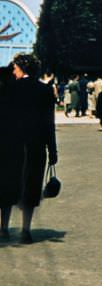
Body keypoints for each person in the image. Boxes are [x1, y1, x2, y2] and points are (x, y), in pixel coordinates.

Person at [1, 54, 57, 244]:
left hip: (9, 144)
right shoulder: (45, 90)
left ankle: (4, 227)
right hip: (36, 145)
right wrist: (53, 150)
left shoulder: (8, 88)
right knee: (31, 187)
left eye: (15, 68)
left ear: (21, 68)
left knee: (6, 185)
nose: (13, 71)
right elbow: (49, 122)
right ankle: (25, 229)